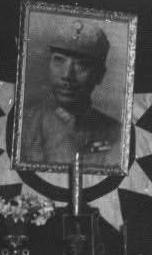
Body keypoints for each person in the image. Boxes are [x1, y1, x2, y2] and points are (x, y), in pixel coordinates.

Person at [21, 19, 122, 167]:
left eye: (82, 65)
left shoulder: (117, 133)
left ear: (99, 75)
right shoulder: (22, 125)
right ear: (48, 65)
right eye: (59, 60)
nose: (67, 74)